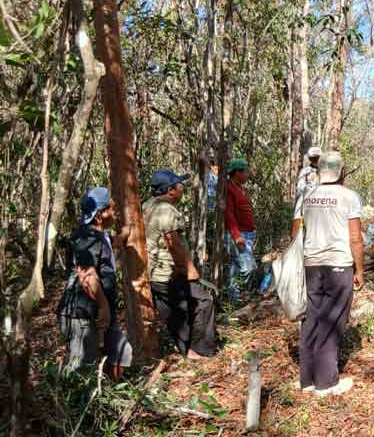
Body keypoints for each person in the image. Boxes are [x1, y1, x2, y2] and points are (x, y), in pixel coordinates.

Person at [290, 151, 364, 396]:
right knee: (332, 321)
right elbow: (355, 237)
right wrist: (360, 269)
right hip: (338, 265)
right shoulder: (349, 197)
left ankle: (307, 380)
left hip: (311, 264)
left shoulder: (306, 195)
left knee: (311, 318)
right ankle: (327, 382)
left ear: (319, 170)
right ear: (342, 171)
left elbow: (295, 234)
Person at [56, 187, 133, 378]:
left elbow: (109, 243)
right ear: (100, 215)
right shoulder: (85, 238)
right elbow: (88, 277)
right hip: (82, 313)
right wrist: (104, 307)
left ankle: (110, 392)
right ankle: (75, 404)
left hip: (97, 310)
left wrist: (125, 234)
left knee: (121, 350)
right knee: (82, 369)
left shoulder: (97, 235)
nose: (115, 212)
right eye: (112, 208)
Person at [143, 169, 218, 360]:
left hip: (153, 274)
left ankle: (186, 349)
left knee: (175, 311)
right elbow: (172, 243)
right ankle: (200, 350)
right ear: (170, 190)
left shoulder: (147, 205)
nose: (181, 188)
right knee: (203, 301)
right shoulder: (166, 210)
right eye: (178, 185)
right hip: (168, 273)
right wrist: (189, 268)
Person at [224, 157, 256, 302]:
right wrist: (236, 235)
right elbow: (228, 214)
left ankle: (235, 300)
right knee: (249, 267)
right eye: (246, 172)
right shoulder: (229, 189)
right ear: (237, 172)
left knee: (235, 268)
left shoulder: (240, 188)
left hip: (247, 234)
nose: (248, 174)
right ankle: (241, 296)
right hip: (239, 235)